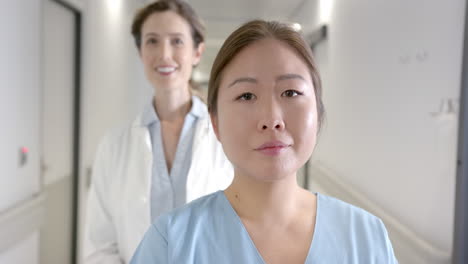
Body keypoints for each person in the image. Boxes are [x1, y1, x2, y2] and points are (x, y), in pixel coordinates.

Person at [130, 20, 398, 263]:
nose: (271, 119)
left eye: (291, 92)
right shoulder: (171, 243)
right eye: (246, 96)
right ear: (216, 122)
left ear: (318, 112)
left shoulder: (365, 237)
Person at [83, 1, 233, 263]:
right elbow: (99, 244)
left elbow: (246, 229)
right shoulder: (114, 145)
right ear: (140, 51)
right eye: (152, 41)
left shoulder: (229, 138)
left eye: (177, 41)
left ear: (197, 52)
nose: (164, 54)